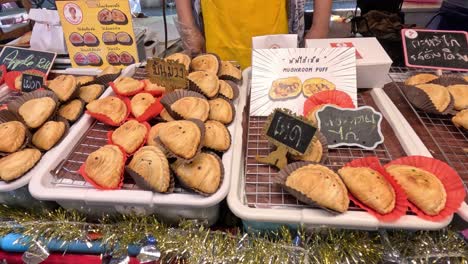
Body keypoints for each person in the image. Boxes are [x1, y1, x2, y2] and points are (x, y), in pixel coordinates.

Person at [175, 0, 332, 68]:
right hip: (218, 30)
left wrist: (320, 26)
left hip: (275, 29)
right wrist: (188, 28)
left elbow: (320, 28)